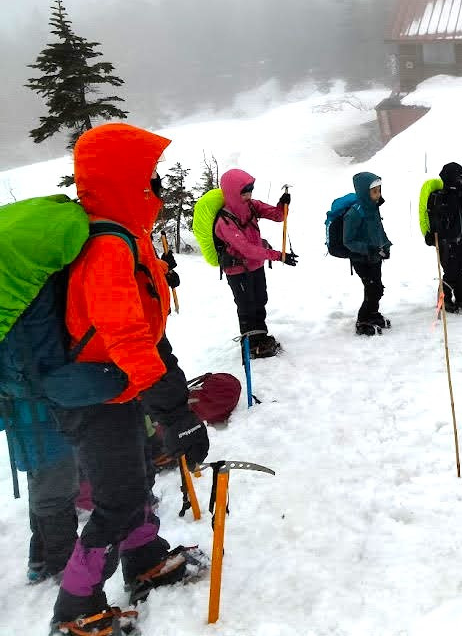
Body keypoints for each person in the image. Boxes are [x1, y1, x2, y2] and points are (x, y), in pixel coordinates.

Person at [51, 123, 210, 634]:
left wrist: (172, 404)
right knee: (117, 495)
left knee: (137, 474)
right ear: (124, 181)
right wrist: (176, 413)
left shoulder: (126, 235)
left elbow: (148, 329)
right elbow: (127, 335)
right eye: (149, 177)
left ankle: (143, 558)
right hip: (95, 396)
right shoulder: (107, 247)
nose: (156, 187)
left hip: (117, 387)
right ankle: (76, 606)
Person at [214, 169, 297, 358]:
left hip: (256, 265)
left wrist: (282, 205)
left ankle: (261, 336)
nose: (248, 195)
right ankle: (250, 343)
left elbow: (277, 216)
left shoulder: (252, 206)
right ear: (232, 192)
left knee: (260, 300)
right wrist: (278, 255)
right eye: (244, 192)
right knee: (246, 305)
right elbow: (246, 249)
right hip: (237, 269)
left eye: (250, 190)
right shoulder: (224, 221)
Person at [1, 400, 79, 585]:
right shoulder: (32, 371)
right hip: (52, 442)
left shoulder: (10, 375)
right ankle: (65, 565)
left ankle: (41, 559)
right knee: (55, 501)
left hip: (28, 445)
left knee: (43, 499)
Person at [425, 162, 462, 312]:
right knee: (450, 271)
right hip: (446, 242)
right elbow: (437, 218)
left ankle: (461, 297)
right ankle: (444, 299)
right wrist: (431, 235)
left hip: (461, 239)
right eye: (459, 177)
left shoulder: (460, 194)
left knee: (460, 268)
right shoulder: (440, 197)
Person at [342, 172, 392, 335]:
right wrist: (368, 249)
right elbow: (348, 241)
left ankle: (373, 313)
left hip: (375, 257)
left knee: (378, 287)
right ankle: (362, 319)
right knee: (372, 288)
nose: (378, 194)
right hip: (361, 258)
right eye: (374, 191)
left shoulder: (373, 208)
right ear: (364, 192)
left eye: (379, 190)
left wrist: (386, 246)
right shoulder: (354, 213)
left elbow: (379, 230)